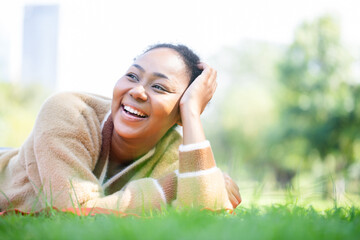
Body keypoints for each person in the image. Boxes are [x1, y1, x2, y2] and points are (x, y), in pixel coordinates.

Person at [0, 43, 241, 213]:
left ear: (179, 112)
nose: (137, 91)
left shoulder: (176, 153)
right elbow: (75, 211)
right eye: (133, 76)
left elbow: (204, 211)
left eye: (159, 87)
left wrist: (191, 113)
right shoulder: (69, 112)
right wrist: (174, 186)